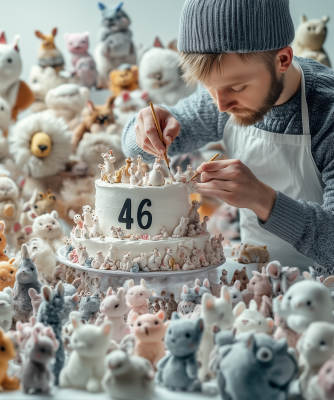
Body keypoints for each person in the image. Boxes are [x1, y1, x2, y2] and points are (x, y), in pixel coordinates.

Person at [122, 0, 334, 270]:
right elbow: (134, 148)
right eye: (209, 87)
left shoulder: (327, 111)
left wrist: (263, 199)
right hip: (258, 279)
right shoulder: (222, 96)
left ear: (283, 59)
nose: (221, 105)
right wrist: (145, 126)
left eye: (238, 86)